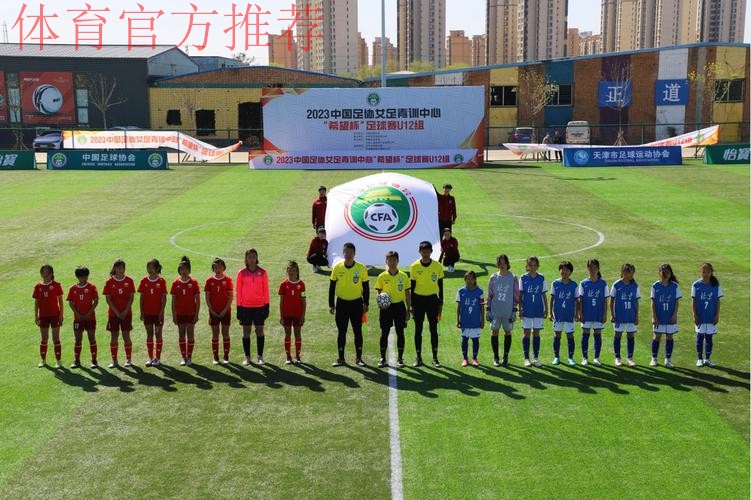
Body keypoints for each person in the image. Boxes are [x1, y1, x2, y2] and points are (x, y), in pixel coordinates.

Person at [329, 242, 369, 366]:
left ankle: (359, 358)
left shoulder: (361, 268)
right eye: (346, 251)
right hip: (341, 304)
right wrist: (331, 304)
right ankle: (341, 358)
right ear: (343, 253)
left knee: (358, 331)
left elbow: (366, 287)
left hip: (357, 304)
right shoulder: (337, 267)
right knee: (342, 332)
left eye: (351, 252)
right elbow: (332, 287)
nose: (348, 254)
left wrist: (366, 303)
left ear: (354, 253)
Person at [410, 241, 445, 367]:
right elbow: (412, 286)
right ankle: (418, 357)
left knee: (433, 329)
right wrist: (412, 305)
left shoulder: (437, 266)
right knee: (418, 330)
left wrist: (441, 301)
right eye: (423, 251)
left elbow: (440, 285)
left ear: (431, 251)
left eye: (427, 251)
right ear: (420, 252)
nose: (425, 254)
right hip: (418, 301)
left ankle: (435, 358)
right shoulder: (414, 266)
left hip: (432, 301)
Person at [375, 251, 411, 368]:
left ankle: (400, 359)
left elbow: (407, 294)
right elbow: (379, 292)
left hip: (399, 307)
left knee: (400, 333)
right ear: (386, 261)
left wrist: (408, 309)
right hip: (386, 309)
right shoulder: (382, 276)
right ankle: (382, 358)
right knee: (384, 333)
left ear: (398, 261)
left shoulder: (404, 276)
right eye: (389, 260)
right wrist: (380, 302)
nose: (392, 262)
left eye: (394, 260)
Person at [236, 248, 270, 365]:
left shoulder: (263, 272)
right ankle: (247, 357)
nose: (252, 259)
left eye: (253, 257)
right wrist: (239, 308)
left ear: (257, 258)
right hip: (245, 307)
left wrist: (267, 306)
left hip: (260, 307)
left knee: (259, 330)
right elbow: (238, 292)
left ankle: (260, 356)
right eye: (249, 257)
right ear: (246, 259)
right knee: (246, 331)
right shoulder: (241, 273)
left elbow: (266, 291)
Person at [486, 254, 518, 366]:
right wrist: (488, 309)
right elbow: (489, 295)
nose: (502, 265)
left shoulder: (513, 278)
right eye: (500, 263)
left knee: (507, 331)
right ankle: (496, 357)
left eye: (504, 263)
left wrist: (514, 310)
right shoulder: (493, 278)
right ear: (497, 264)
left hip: (507, 311)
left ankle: (505, 357)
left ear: (507, 263)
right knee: (494, 331)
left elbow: (516, 295)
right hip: (495, 311)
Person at [103, 259, 135, 368]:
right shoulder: (109, 282)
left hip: (127, 314)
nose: (121, 269)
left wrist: (125, 311)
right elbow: (108, 300)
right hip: (113, 315)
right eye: (119, 267)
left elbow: (131, 298)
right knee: (114, 337)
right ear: (115, 268)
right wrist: (117, 313)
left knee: (126, 336)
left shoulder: (129, 281)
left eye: (123, 267)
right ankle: (114, 361)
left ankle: (128, 359)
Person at [577, 259, 609, 367]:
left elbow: (605, 300)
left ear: (598, 269)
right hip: (586, 313)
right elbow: (580, 300)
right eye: (590, 267)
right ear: (587, 268)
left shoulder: (603, 283)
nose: (592, 269)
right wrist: (580, 313)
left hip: (598, 313)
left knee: (597, 335)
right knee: (585, 334)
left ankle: (596, 358)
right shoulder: (583, 283)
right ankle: (585, 358)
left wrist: (605, 314)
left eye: (595, 267)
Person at [67, 266, 99, 369]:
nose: (83, 278)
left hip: (90, 318)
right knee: (78, 340)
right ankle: (77, 361)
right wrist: (78, 314)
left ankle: (94, 361)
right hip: (78, 319)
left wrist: (90, 312)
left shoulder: (92, 287)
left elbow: (96, 301)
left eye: (85, 276)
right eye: (81, 277)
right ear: (77, 277)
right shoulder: (73, 289)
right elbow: (71, 303)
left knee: (92, 338)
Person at [171, 256, 201, 366]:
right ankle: (183, 357)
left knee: (190, 334)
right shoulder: (175, 283)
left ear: (189, 270)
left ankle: (189, 357)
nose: (184, 271)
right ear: (179, 270)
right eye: (182, 269)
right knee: (181, 335)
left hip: (191, 313)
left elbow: (198, 300)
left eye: (186, 269)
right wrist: (174, 315)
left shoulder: (194, 283)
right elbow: (173, 301)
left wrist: (196, 314)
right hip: (180, 313)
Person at [650, 263, 681, 368]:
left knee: (669, 336)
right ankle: (654, 358)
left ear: (670, 273)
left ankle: (668, 360)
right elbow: (653, 302)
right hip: (659, 316)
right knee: (657, 336)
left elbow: (676, 302)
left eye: (667, 272)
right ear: (659, 273)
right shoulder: (655, 286)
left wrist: (674, 315)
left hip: (670, 317)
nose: (665, 274)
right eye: (663, 272)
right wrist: (654, 316)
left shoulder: (675, 286)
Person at [692, 262, 722, 367]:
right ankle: (699, 358)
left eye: (708, 270)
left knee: (709, 338)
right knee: (700, 337)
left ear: (711, 272)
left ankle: (707, 359)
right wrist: (695, 315)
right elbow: (693, 301)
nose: (706, 272)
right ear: (700, 271)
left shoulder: (716, 285)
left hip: (711, 317)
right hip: (700, 317)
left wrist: (717, 315)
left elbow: (718, 302)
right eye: (704, 270)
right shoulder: (696, 285)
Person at [33, 264, 64, 368]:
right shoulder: (38, 287)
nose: (45, 274)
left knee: (56, 338)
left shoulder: (57, 285)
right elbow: (36, 303)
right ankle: (43, 360)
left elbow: (60, 301)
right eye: (43, 272)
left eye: (47, 272)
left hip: (55, 316)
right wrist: (36, 316)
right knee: (44, 338)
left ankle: (58, 361)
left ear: (51, 274)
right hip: (43, 316)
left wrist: (61, 315)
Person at [138, 259, 167, 367]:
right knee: (149, 334)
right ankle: (150, 358)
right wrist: (141, 312)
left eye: (152, 267)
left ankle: (157, 358)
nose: (149, 270)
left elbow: (164, 299)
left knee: (158, 334)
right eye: (148, 267)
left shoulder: (161, 281)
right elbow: (141, 298)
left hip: (158, 314)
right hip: (147, 313)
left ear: (157, 268)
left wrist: (161, 312)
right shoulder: (144, 281)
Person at [610, 263, 640, 367]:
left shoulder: (635, 286)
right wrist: (612, 314)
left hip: (631, 315)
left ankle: (630, 358)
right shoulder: (616, 285)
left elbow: (636, 302)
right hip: (619, 316)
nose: (629, 274)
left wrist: (637, 316)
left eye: (631, 272)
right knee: (618, 335)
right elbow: (611, 300)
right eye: (627, 272)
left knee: (630, 335)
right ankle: (617, 358)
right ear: (622, 272)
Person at [549, 261, 578, 366]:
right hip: (558, 315)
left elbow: (577, 300)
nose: (564, 272)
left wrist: (577, 314)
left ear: (570, 272)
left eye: (566, 270)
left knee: (570, 336)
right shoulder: (555, 283)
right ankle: (556, 357)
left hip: (569, 315)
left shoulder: (574, 285)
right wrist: (550, 313)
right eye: (562, 269)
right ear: (560, 270)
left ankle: (570, 358)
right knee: (557, 335)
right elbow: (552, 299)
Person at [519, 256, 547, 367]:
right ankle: (526, 358)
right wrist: (520, 309)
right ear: (527, 266)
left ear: (538, 266)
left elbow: (544, 295)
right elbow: (520, 295)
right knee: (526, 333)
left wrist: (546, 309)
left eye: (535, 265)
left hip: (538, 310)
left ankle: (535, 358)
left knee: (536, 333)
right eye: (530, 265)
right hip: (527, 310)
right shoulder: (523, 278)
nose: (533, 267)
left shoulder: (542, 278)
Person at [205, 258, 233, 365]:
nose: (218, 269)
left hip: (226, 312)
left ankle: (226, 356)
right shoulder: (209, 281)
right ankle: (216, 357)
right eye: (215, 267)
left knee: (225, 333)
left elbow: (230, 297)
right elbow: (207, 297)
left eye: (220, 266)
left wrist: (225, 310)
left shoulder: (228, 280)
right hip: (214, 312)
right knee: (215, 334)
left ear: (223, 268)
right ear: (213, 268)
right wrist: (211, 310)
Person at [279, 261, 306, 365]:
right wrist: (281, 316)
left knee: (297, 334)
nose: (291, 272)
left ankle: (298, 357)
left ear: (297, 272)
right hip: (286, 315)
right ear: (287, 271)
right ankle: (288, 357)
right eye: (290, 270)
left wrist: (303, 315)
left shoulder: (301, 284)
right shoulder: (283, 284)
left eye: (294, 270)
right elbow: (281, 301)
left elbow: (303, 300)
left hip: (298, 314)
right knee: (287, 334)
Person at [456, 270, 485, 367]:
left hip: (475, 321)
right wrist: (458, 320)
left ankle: (474, 358)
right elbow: (459, 307)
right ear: (465, 280)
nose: (469, 281)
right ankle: (465, 359)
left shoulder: (480, 292)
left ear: (475, 279)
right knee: (464, 339)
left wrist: (482, 321)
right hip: (465, 321)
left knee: (475, 340)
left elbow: (482, 308)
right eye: (467, 279)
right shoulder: (461, 291)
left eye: (471, 279)